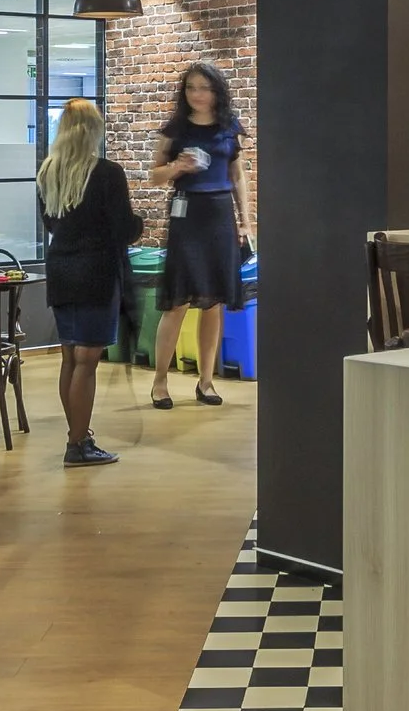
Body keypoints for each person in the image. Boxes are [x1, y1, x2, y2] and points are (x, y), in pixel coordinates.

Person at [37, 97, 140, 466]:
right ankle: (77, 443)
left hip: (61, 271)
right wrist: (140, 222)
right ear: (94, 130)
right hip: (96, 274)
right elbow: (124, 229)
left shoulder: (47, 172)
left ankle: (77, 437)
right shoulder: (108, 173)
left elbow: (51, 225)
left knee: (70, 358)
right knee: (87, 362)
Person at [147, 63, 251, 410]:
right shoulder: (175, 129)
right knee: (177, 301)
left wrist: (245, 221)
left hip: (220, 214)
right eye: (191, 88)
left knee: (215, 302)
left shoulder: (228, 128)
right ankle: (160, 381)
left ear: (216, 91)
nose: (197, 94)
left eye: (204, 88)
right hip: (187, 213)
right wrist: (178, 167)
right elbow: (154, 177)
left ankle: (206, 381)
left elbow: (238, 176)